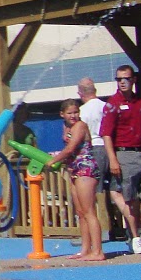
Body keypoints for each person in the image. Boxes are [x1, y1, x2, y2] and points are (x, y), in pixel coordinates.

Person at [101, 65, 141, 255]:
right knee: (130, 198)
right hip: (123, 153)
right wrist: (113, 159)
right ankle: (136, 235)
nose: (123, 82)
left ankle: (133, 224)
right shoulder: (112, 104)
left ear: (133, 80)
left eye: (126, 78)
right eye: (119, 79)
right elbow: (107, 134)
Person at [52, 99, 104, 261]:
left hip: (85, 168)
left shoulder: (80, 126)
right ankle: (85, 249)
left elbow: (70, 148)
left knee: (89, 212)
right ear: (62, 114)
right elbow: (67, 149)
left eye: (76, 112)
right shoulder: (66, 127)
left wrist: (53, 161)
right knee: (80, 213)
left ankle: (98, 251)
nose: (73, 115)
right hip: (74, 169)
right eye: (70, 113)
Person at [78, 77, 125, 240]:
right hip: (111, 148)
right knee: (114, 190)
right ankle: (117, 227)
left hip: (94, 148)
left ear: (80, 93)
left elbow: (83, 135)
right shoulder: (106, 106)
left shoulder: (82, 111)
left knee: (94, 192)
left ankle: (100, 231)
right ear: (95, 91)